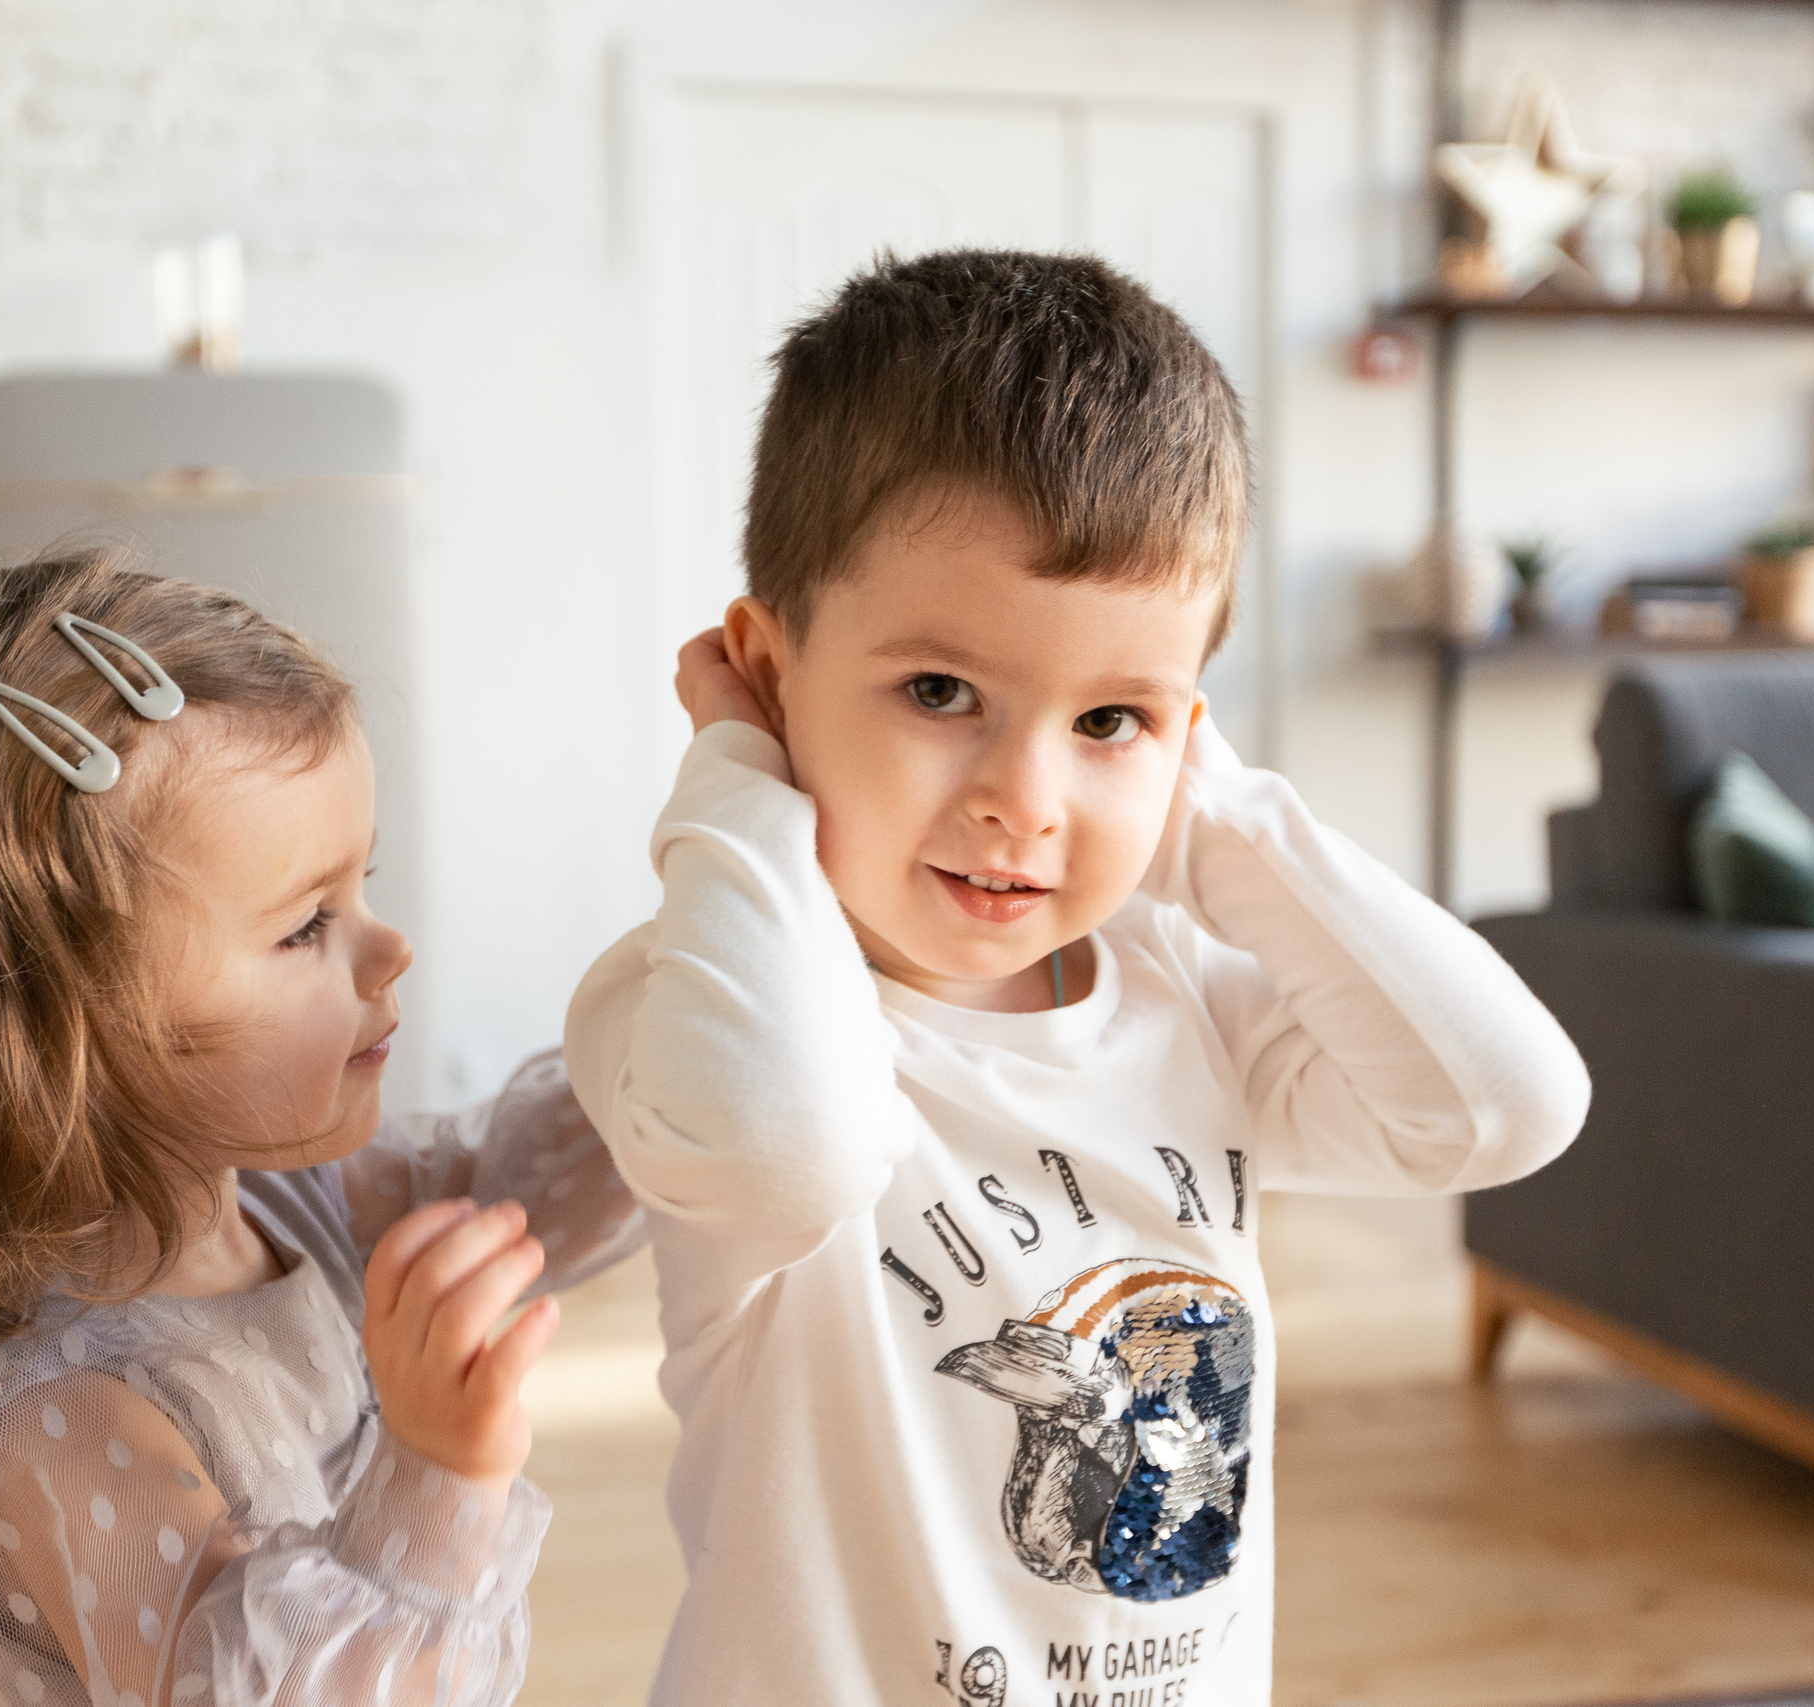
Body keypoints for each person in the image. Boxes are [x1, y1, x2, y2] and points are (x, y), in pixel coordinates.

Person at [564, 250, 1591, 1705]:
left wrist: (1215, 824)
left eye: (1110, 716)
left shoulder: (1182, 998)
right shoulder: (681, 1005)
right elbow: (786, 1143)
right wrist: (739, 774)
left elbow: (1504, 1106)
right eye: (940, 692)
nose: (1024, 797)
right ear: (768, 667)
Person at [0, 554, 640, 1707]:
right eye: (305, 924)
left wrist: (707, 1013)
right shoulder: (58, 1415)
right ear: (49, 1021)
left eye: (363, 883)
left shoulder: (280, 1201)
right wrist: (436, 1478)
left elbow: (521, 1183)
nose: (389, 947)